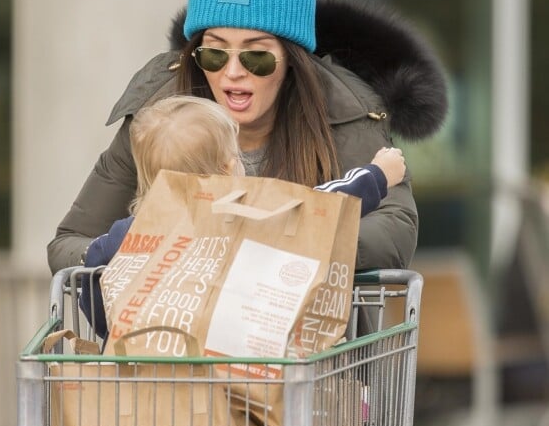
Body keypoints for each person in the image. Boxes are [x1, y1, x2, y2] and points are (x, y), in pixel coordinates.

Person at [48, 0, 448, 276]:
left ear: (292, 60)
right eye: (214, 53)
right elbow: (70, 243)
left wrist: (271, 242)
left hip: (309, 341)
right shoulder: (160, 114)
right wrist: (151, 242)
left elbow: (395, 230)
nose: (232, 72)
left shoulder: (347, 112)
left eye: (255, 55)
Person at [80, 94, 407, 338]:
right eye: (236, 154)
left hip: (155, 387)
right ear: (227, 168)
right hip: (238, 387)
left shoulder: (125, 236)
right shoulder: (242, 220)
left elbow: (95, 280)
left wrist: (112, 333)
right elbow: (318, 205)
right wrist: (377, 174)